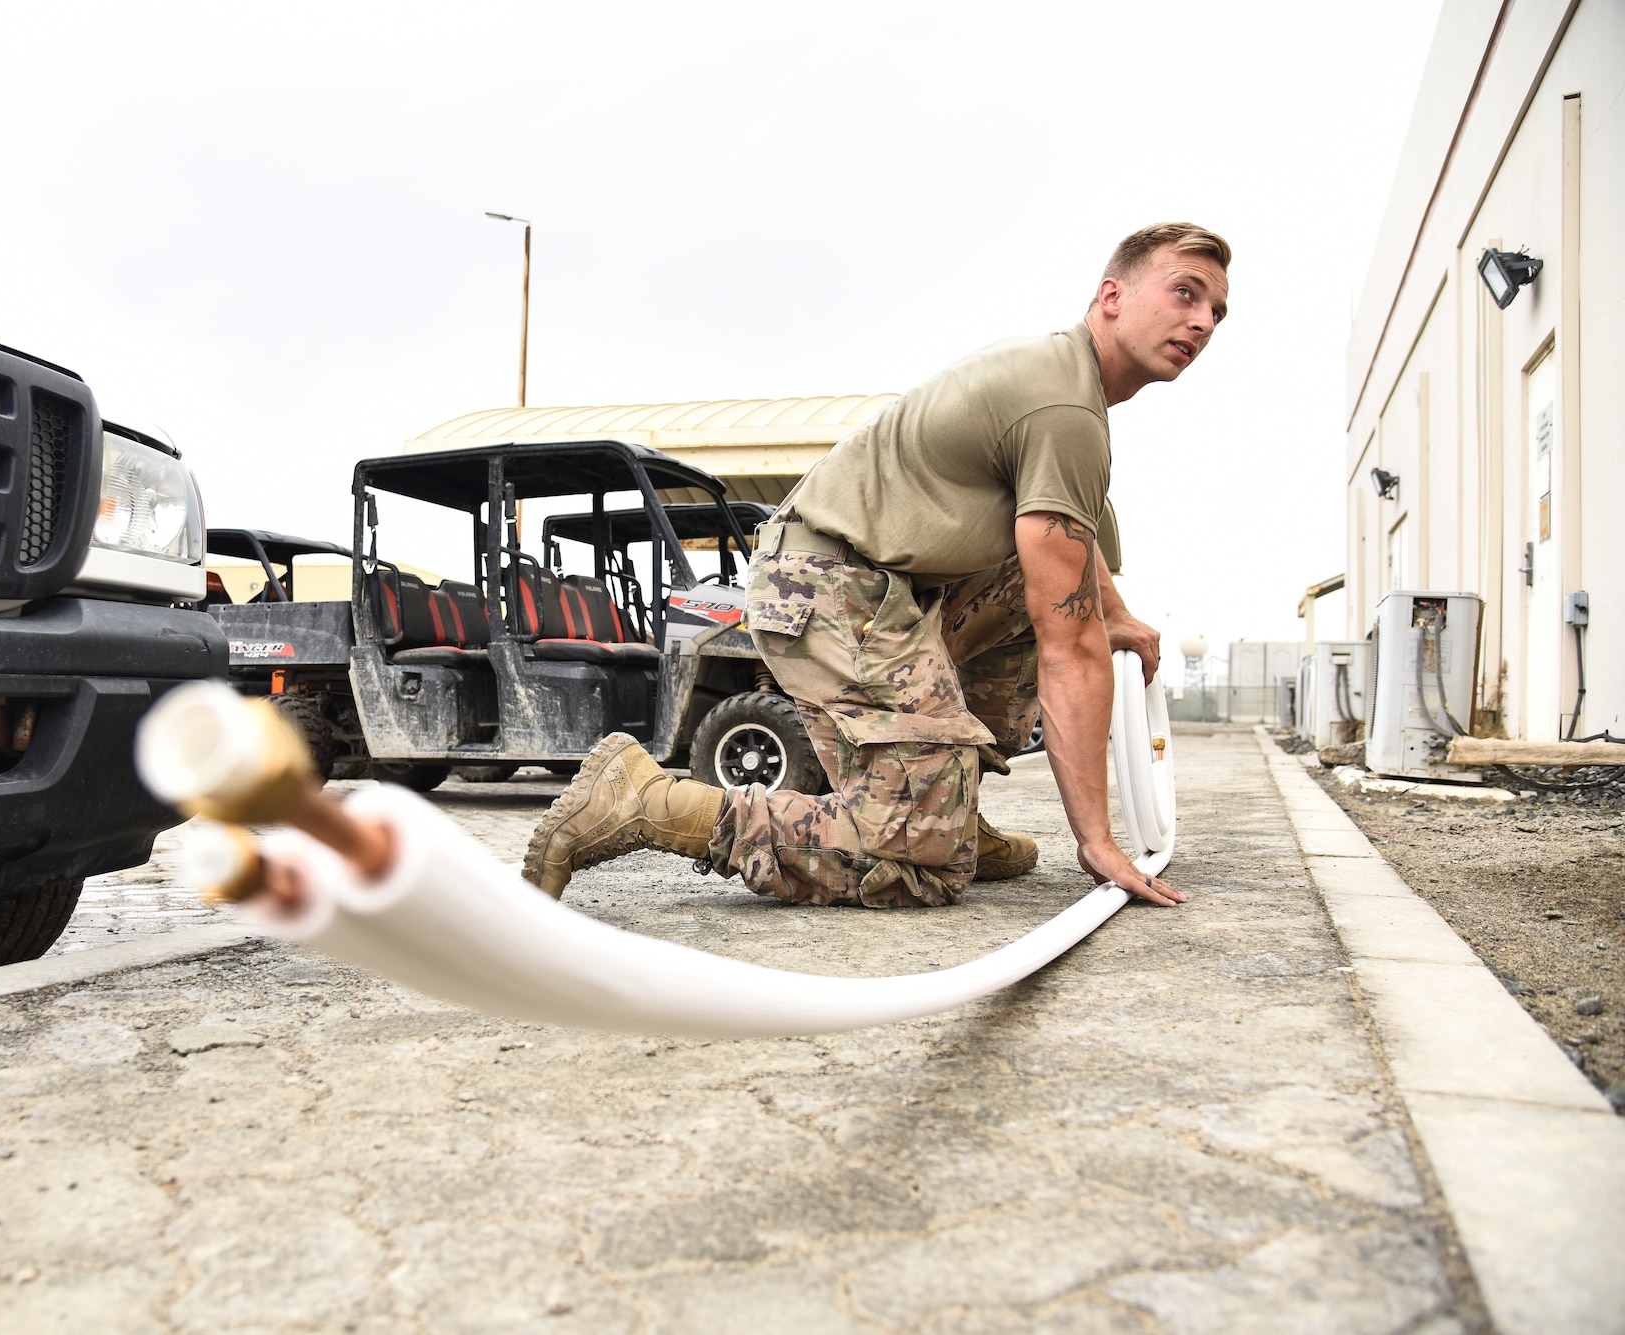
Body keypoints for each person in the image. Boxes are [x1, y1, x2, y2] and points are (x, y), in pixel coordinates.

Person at [523, 222, 1228, 910]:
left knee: (1045, 587)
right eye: (1185, 294)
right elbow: (1069, 645)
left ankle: (945, 800)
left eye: (1217, 312)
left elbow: (1066, 567)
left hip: (876, 589)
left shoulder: (1067, 395)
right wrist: (1098, 841)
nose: (1203, 322)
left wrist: (1118, 617)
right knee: (920, 866)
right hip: (825, 584)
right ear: (1111, 297)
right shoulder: (1061, 404)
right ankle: (647, 802)